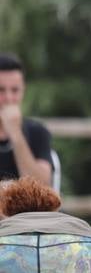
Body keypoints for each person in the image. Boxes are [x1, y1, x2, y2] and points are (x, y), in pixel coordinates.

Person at [0, 53, 54, 187]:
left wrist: (16, 134)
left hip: (26, 208)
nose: (8, 98)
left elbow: (42, 188)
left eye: (15, 90)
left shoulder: (37, 132)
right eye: (1, 90)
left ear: (23, 91)